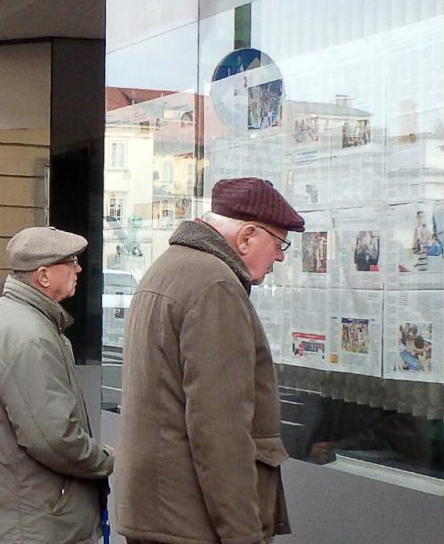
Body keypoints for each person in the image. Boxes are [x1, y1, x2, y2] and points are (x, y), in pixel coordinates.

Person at [114, 177, 304, 544]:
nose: (280, 256)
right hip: (192, 522)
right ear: (246, 236)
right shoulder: (215, 285)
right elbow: (220, 431)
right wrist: (244, 535)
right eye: (279, 243)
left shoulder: (169, 268)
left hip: (160, 511)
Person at [0, 226, 114, 544]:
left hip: (20, 514)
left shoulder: (14, 318)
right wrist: (105, 460)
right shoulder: (29, 335)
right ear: (43, 276)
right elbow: (54, 438)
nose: (78, 268)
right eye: (71, 260)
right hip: (34, 522)